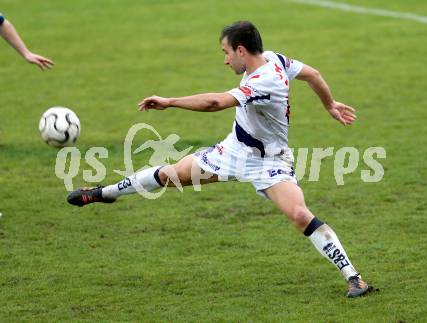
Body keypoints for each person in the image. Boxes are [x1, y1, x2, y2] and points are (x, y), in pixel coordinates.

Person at [67, 21, 369, 297]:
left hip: (270, 163)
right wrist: (329, 104)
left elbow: (215, 103)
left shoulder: (266, 80)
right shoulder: (275, 59)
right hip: (234, 150)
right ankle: (103, 193)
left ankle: (354, 278)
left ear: (241, 50)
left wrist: (170, 102)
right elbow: (313, 75)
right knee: (171, 175)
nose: (225, 59)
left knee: (301, 216)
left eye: (226, 52)